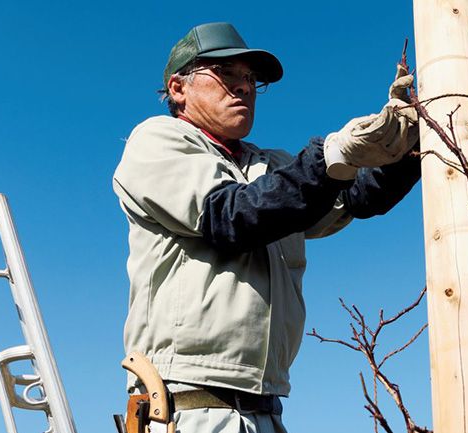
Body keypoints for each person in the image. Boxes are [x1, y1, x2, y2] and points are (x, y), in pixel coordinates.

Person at [113, 22, 421, 433]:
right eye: (225, 74)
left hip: (265, 410)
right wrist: (331, 155)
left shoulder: (270, 166)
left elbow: (354, 200)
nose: (243, 87)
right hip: (187, 406)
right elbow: (230, 216)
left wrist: (406, 149)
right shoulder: (157, 142)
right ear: (178, 88)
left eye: (250, 79)